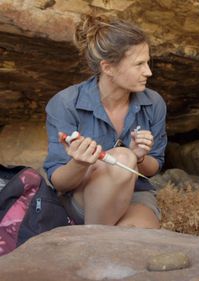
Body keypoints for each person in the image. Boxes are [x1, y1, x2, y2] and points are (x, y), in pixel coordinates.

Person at [43, 15, 167, 228]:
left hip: (135, 195)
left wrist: (140, 157)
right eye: (139, 64)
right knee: (122, 159)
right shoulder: (65, 103)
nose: (148, 71)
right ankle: (95, 238)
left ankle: (96, 242)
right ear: (108, 68)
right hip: (80, 198)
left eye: (147, 62)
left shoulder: (153, 102)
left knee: (139, 238)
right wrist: (80, 163)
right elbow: (59, 182)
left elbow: (153, 167)